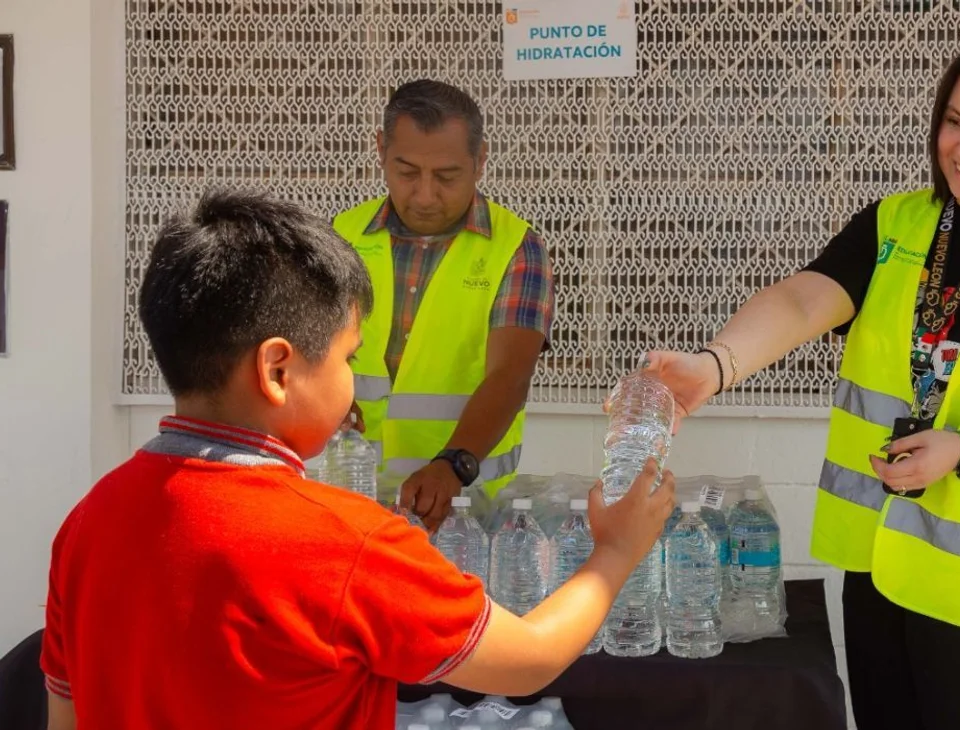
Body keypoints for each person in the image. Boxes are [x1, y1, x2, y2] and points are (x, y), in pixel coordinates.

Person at [644, 30, 960, 730]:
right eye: (954, 123)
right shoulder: (897, 225)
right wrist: (715, 364)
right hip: (882, 572)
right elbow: (803, 299)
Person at [39, 189, 674, 730]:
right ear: (278, 369)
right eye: (348, 358)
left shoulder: (88, 524)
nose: (352, 382)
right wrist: (615, 552)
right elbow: (531, 657)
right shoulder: (346, 543)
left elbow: (64, 714)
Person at [332, 79, 554, 529]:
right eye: (407, 172)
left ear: (481, 161)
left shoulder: (515, 249)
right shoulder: (342, 236)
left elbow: (509, 375)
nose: (426, 195)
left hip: (464, 515)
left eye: (447, 176)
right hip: (354, 505)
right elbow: (311, 353)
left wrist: (453, 465)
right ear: (380, 150)